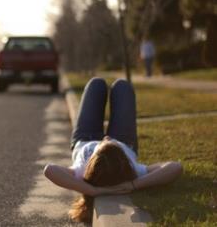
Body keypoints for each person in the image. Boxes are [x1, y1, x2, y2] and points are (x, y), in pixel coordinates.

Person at [44, 77, 182, 223]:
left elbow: (49, 170)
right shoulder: (133, 170)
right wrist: (134, 185)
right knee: (122, 86)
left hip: (85, 136)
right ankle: (118, 138)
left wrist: (93, 191)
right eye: (111, 142)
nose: (107, 136)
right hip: (124, 139)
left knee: (96, 84)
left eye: (104, 142)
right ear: (123, 157)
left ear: (92, 160)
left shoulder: (81, 171)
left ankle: (100, 87)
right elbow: (175, 167)